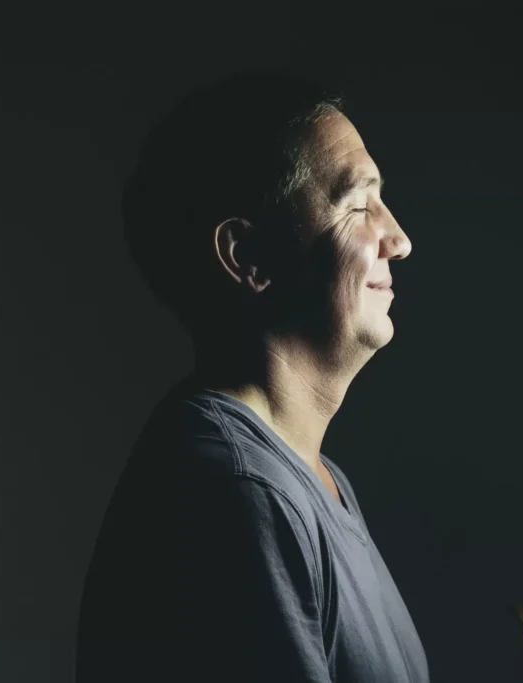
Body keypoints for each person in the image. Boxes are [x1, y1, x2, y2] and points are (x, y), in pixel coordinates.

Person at [75, 71, 427, 682]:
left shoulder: (311, 478)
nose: (398, 239)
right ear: (248, 258)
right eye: (358, 205)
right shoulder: (242, 494)